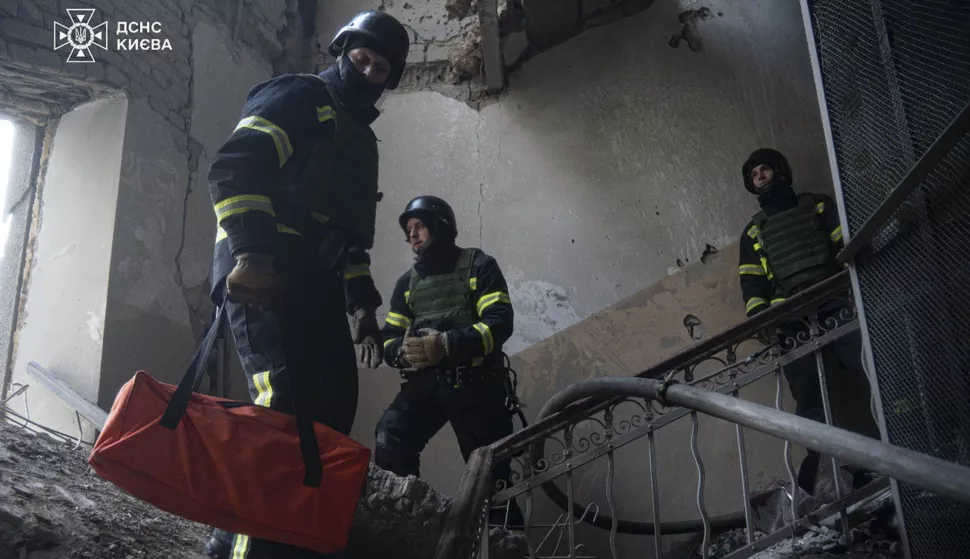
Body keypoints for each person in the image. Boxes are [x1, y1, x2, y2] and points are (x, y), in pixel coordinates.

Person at [204, 11, 410, 559]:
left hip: (316, 284)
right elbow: (235, 167)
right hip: (266, 275)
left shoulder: (360, 143)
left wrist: (362, 307)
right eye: (360, 58)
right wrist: (250, 253)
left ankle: (266, 539)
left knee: (334, 412)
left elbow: (347, 240)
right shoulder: (298, 96)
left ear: (389, 80)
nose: (366, 70)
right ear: (341, 52)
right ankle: (252, 550)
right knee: (282, 416)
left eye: (380, 67)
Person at [376, 195, 525, 527]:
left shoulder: (478, 266)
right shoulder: (407, 284)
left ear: (440, 227)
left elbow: (500, 322)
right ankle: (407, 525)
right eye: (408, 230)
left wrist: (447, 344)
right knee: (390, 437)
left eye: (419, 226)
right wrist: (400, 352)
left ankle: (509, 546)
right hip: (426, 386)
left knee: (489, 475)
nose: (412, 235)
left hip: (476, 386)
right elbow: (390, 337)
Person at [737, 148, 878, 497]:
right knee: (810, 400)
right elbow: (752, 283)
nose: (761, 177)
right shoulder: (753, 232)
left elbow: (842, 245)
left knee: (877, 368)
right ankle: (826, 475)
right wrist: (761, 317)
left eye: (765, 170)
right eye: (754, 175)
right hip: (793, 320)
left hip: (837, 304)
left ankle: (909, 438)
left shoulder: (817, 204)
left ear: (781, 171)